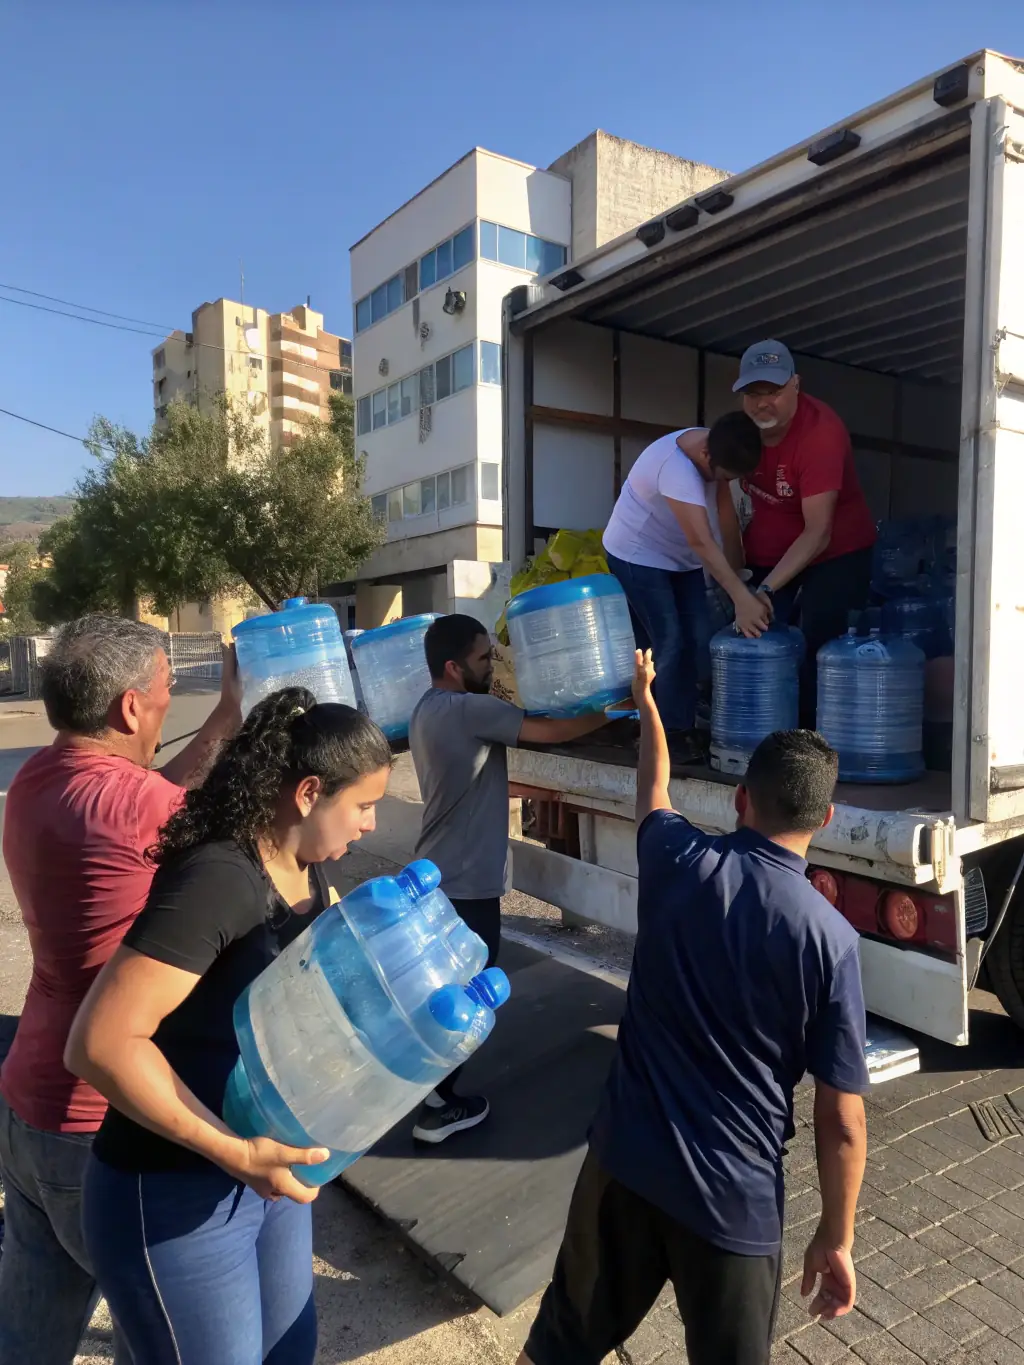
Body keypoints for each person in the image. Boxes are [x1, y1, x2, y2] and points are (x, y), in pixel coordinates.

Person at [519, 651, 869, 1365]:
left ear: (742, 797)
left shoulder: (678, 859)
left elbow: (653, 786)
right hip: (731, 1202)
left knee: (556, 1348)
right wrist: (836, 1234)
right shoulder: (831, 940)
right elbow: (841, 1118)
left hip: (623, 1162)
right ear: (826, 817)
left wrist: (648, 701)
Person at [65, 690, 392, 1365]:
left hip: (262, 1173)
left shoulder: (306, 866)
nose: (370, 824)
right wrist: (232, 1151)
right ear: (307, 793)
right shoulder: (220, 877)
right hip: (175, 1187)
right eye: (362, 805)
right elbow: (99, 1042)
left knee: (290, 1349)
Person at [0, 614, 243, 1365]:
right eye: (170, 689)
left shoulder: (36, 779)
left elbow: (150, 799)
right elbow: (223, 839)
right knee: (161, 1334)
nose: (173, 703)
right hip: (101, 1123)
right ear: (131, 708)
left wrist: (225, 719)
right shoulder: (141, 810)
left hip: (29, 1107)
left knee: (27, 1341)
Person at [408, 614, 610, 1143]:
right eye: (482, 658)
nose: (490, 666)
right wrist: (615, 708)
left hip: (441, 876)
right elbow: (551, 732)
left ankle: (432, 1094)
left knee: (448, 995)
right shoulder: (471, 709)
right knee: (468, 998)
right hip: (465, 886)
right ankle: (436, 1108)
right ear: (453, 667)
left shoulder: (427, 708)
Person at [602, 409, 769, 764]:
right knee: (670, 641)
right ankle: (670, 735)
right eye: (722, 477)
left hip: (679, 558)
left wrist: (740, 579)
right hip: (637, 555)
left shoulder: (718, 447)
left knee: (698, 637)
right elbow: (702, 542)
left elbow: (726, 521)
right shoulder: (675, 469)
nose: (722, 483)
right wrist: (742, 600)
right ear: (706, 456)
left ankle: (674, 720)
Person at [734, 339, 877, 724]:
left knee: (820, 643)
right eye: (752, 393)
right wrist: (738, 584)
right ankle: (760, 725)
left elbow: (819, 532)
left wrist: (764, 590)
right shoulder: (740, 432)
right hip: (772, 548)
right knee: (754, 634)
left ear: (795, 385)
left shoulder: (820, 434)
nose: (761, 403)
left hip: (836, 550)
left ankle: (810, 738)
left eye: (773, 391)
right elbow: (719, 497)